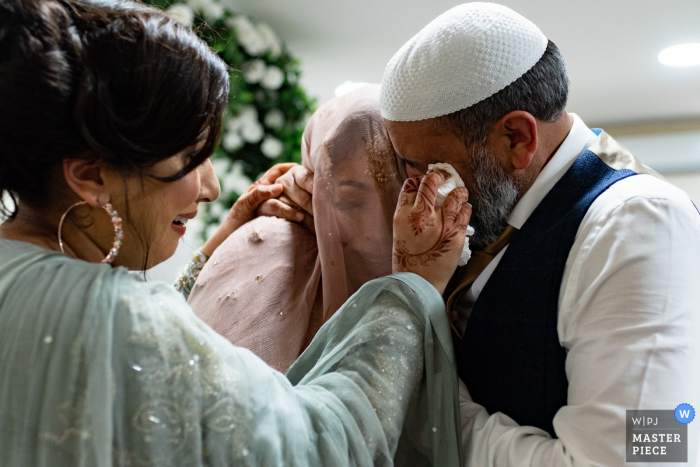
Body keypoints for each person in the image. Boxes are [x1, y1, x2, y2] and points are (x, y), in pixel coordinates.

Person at [0, 1, 472, 465]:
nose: (212, 187)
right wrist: (413, 286)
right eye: (191, 158)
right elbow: (320, 446)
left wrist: (218, 243)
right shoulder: (120, 323)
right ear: (90, 175)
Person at [379, 3, 700, 466]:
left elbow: (643, 459)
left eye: (431, 167)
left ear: (516, 139)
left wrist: (433, 410)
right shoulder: (499, 211)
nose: (418, 191)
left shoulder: (640, 223)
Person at [188, 84, 403, 372]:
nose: (376, 229)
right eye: (349, 201)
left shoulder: (436, 259)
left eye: (394, 197)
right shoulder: (269, 247)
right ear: (314, 183)